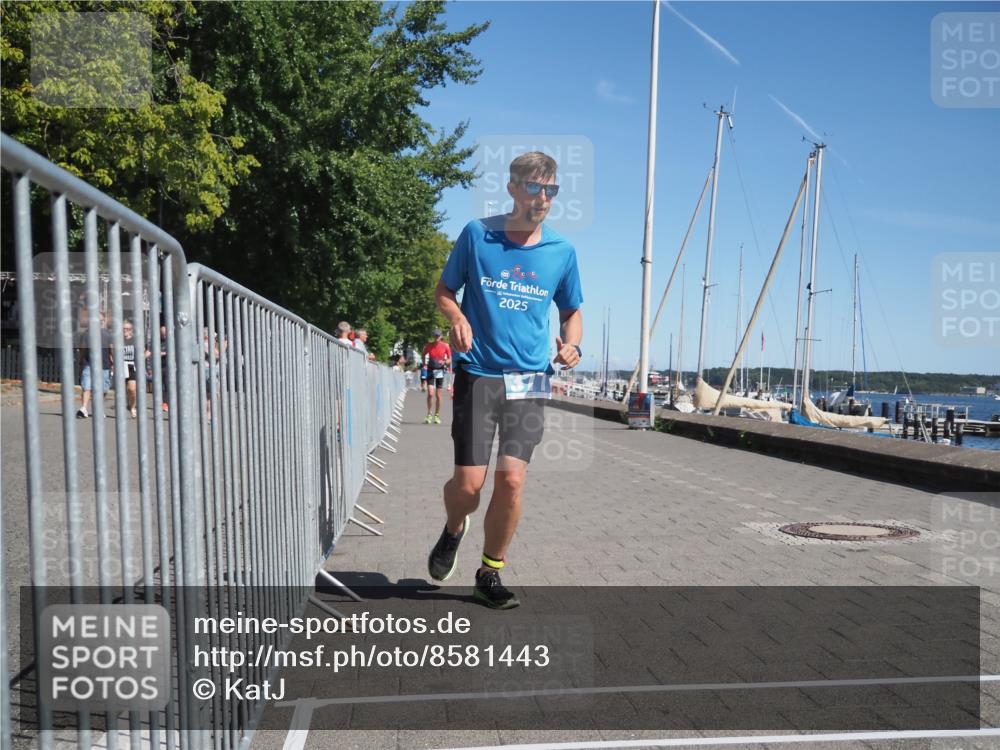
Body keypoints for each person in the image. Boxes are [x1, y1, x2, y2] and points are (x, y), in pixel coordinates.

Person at [427, 151, 583, 609]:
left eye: (550, 190)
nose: (542, 199)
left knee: (512, 481)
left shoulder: (562, 252)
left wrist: (573, 345)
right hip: (478, 374)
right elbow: (444, 290)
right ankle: (454, 527)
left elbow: (572, 311)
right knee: (468, 487)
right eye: (534, 188)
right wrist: (455, 315)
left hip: (531, 378)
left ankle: (489, 573)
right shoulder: (478, 235)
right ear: (513, 189)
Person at [77, 311, 114, 419]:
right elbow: (82, 349)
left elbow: (111, 349)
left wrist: (113, 363)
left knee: (103, 389)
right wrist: (81, 361)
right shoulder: (85, 334)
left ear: (103, 321)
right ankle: (83, 408)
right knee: (86, 386)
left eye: (99, 320)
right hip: (89, 364)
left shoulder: (107, 334)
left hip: (104, 364)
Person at [422, 328, 451, 424]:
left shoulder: (445, 346)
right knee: (430, 393)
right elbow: (423, 354)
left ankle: (437, 415)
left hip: (440, 371)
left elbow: (450, 359)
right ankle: (429, 414)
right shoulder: (429, 346)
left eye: (438, 336)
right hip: (430, 370)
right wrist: (424, 364)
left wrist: (445, 361)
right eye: (435, 336)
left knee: (438, 395)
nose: (436, 338)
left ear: (441, 336)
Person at [120, 319, 139, 418]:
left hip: (131, 365)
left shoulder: (135, 340)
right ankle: (126, 405)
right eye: (124, 329)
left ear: (132, 330)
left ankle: (132, 407)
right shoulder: (118, 340)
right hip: (120, 365)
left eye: (128, 329)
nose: (125, 331)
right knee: (121, 390)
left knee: (132, 389)